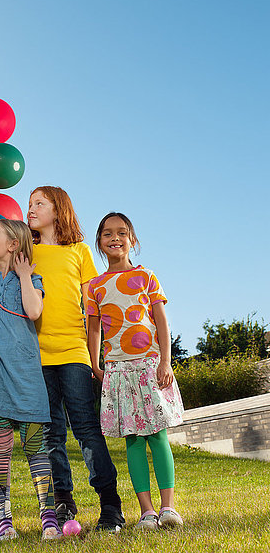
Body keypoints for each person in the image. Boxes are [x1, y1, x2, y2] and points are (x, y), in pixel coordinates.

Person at [26, 187, 125, 531]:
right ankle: (63, 502)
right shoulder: (26, 250)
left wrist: (99, 356)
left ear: (59, 209)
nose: (32, 209)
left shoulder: (79, 251)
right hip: (36, 355)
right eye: (30, 204)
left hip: (74, 351)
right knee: (51, 434)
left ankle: (110, 505)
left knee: (85, 428)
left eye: (39, 203)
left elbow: (93, 307)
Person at [86, 212, 185, 530]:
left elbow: (162, 323)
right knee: (132, 440)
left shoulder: (147, 277)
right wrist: (95, 365)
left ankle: (168, 508)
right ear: (100, 242)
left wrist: (165, 361)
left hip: (149, 367)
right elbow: (94, 330)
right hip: (117, 371)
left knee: (158, 436)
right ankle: (147, 511)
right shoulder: (95, 287)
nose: (114, 238)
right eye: (107, 233)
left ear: (133, 240)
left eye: (122, 232)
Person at [0, 219, 61, 540]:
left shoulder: (32, 278)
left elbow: (34, 311)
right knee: (2, 449)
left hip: (25, 378)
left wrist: (24, 276)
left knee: (36, 447)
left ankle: (48, 517)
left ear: (12, 245)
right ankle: (3, 518)